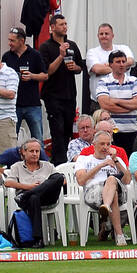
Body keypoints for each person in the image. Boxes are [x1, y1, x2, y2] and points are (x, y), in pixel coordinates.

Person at [0, 138, 64, 244]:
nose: (35, 154)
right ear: (23, 152)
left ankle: (27, 195)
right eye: (31, 151)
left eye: (37, 151)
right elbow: (8, 183)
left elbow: (63, 181)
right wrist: (29, 187)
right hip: (30, 200)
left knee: (59, 177)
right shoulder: (17, 167)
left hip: (47, 197)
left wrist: (42, 187)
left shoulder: (48, 165)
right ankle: (38, 239)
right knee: (34, 198)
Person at [39, 13, 83, 164]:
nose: (65, 27)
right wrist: (60, 56)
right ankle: (59, 165)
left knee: (67, 132)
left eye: (65, 24)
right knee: (57, 131)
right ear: (52, 27)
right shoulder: (45, 47)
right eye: (61, 24)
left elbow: (80, 68)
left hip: (69, 95)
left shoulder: (72, 45)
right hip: (53, 96)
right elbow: (47, 71)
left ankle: (65, 162)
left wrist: (75, 67)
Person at [74, 129, 132, 244]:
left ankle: (105, 207)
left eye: (108, 144)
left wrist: (115, 160)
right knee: (113, 193)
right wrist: (101, 165)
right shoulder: (84, 159)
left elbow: (127, 180)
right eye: (102, 144)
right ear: (94, 144)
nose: (105, 147)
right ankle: (119, 235)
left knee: (111, 180)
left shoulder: (116, 160)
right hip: (93, 194)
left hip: (119, 194)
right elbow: (81, 180)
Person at [2, 26, 46, 143]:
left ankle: (40, 160)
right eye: (9, 40)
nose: (9, 43)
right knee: (11, 139)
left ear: (21, 41)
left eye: (12, 41)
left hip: (32, 104)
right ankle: (12, 161)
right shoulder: (7, 56)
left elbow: (45, 75)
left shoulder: (35, 54)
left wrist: (32, 76)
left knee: (38, 138)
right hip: (13, 105)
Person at [85, 24, 135, 114]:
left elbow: (130, 61)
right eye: (101, 34)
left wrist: (107, 66)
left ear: (112, 36)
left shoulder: (123, 48)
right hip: (99, 103)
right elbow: (97, 69)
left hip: (123, 102)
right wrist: (121, 67)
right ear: (98, 36)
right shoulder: (92, 52)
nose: (104, 36)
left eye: (106, 34)